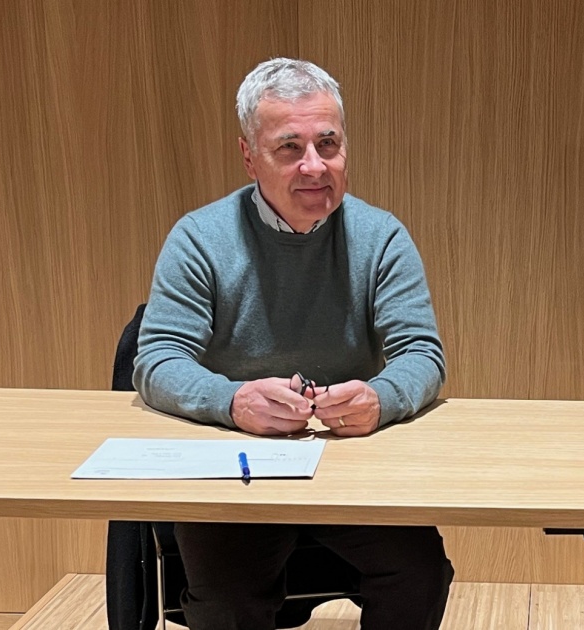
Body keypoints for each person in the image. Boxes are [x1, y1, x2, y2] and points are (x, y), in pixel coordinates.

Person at [133, 57, 452, 630]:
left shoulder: (381, 237)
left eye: (328, 144)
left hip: (351, 458)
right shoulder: (200, 238)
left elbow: (421, 354)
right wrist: (232, 401)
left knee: (419, 574)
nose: (314, 166)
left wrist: (380, 397)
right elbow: (157, 359)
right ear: (249, 156)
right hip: (235, 461)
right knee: (227, 600)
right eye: (289, 148)